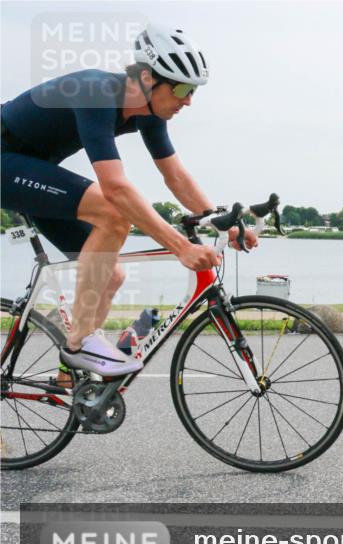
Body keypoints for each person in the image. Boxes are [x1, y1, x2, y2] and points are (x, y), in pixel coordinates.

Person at [0, 24, 257, 379]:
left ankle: (67, 379)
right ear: (148, 79)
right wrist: (180, 246)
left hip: (35, 169)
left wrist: (219, 220)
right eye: (182, 88)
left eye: (193, 90)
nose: (189, 100)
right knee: (113, 212)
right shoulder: (97, 92)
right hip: (5, 158)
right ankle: (79, 343)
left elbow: (175, 176)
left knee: (111, 272)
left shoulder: (149, 113)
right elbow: (116, 188)